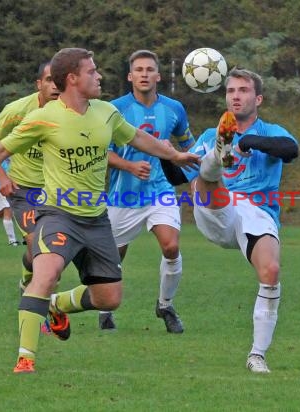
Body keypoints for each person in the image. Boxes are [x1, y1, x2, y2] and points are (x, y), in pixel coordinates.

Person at [0, 47, 200, 374]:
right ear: (73, 79)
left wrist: (174, 156)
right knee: (44, 273)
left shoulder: (105, 112)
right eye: (92, 71)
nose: (99, 76)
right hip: (57, 213)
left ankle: (55, 306)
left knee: (109, 298)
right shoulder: (42, 117)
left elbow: (138, 140)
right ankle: (26, 359)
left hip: (97, 219)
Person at [160, 68, 299, 373]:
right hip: (217, 208)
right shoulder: (210, 134)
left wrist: (249, 141)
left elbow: (291, 150)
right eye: (231, 91)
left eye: (243, 90)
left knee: (271, 271)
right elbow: (177, 176)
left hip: (258, 212)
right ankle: (216, 158)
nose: (236, 96)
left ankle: (257, 355)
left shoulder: (270, 131)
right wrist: (164, 153)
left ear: (257, 98)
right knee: (205, 180)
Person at [92, 50, 195, 332]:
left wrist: (193, 174)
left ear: (158, 76)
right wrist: (128, 165)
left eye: (150, 69)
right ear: (130, 76)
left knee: (171, 246)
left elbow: (190, 147)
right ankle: (104, 310)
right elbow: (100, 152)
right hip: (122, 195)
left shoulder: (174, 109)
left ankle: (165, 305)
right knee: (113, 258)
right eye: (139, 70)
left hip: (160, 191)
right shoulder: (113, 109)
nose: (145, 74)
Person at [0, 61, 59, 293]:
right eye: (49, 80)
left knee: (50, 253)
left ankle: (27, 277)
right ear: (39, 84)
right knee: (39, 247)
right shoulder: (17, 111)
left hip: (58, 190)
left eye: (58, 80)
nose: (54, 86)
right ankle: (46, 310)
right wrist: (2, 177)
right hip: (24, 189)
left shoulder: (72, 111)